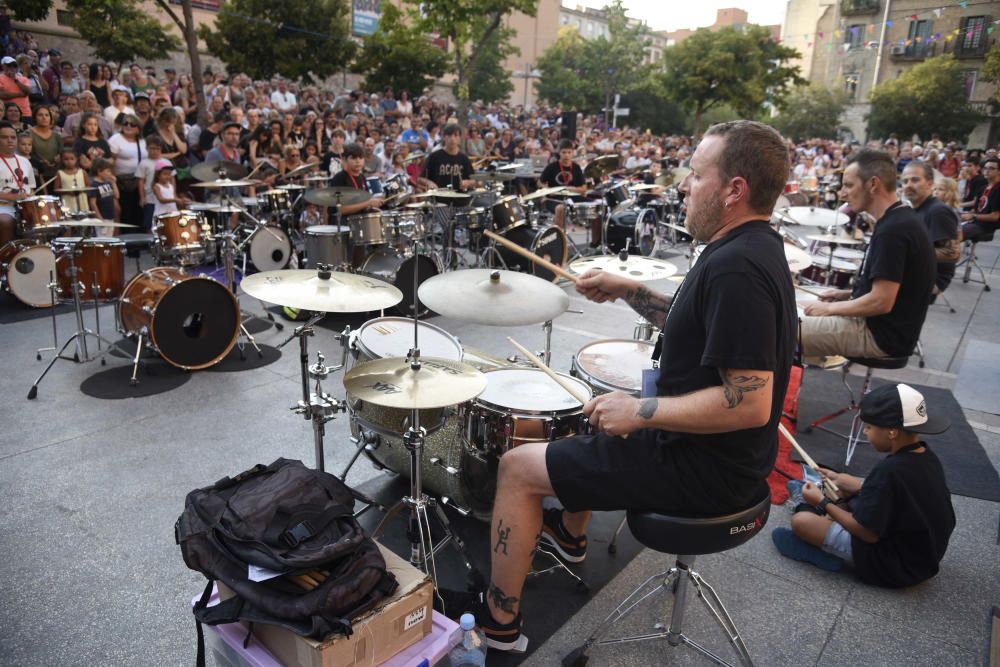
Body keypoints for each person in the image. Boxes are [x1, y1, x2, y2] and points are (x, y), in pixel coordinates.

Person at [437, 120, 797, 652]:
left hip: (704, 470)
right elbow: (689, 320)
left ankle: (498, 624)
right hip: (712, 455)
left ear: (733, 190)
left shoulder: (737, 270)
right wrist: (628, 288)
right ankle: (569, 533)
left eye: (696, 176)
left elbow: (750, 403)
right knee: (593, 413)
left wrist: (642, 412)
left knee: (518, 467)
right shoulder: (751, 247)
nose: (683, 187)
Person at [772, 383, 955, 587]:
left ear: (892, 432)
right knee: (842, 487)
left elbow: (867, 534)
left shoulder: (890, 471)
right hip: (920, 557)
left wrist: (822, 502)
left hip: (893, 566)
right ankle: (814, 508)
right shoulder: (926, 456)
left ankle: (811, 523)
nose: (866, 433)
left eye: (868, 427)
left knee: (802, 522)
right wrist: (858, 486)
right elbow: (901, 497)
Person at [800, 149, 935, 362]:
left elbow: (882, 302)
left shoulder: (894, 230)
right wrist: (845, 295)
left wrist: (828, 308)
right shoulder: (900, 219)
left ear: (873, 184)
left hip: (878, 335)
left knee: (775, 331)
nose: (843, 194)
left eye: (849, 185)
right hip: (883, 328)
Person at [901, 161, 961, 295]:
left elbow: (952, 253)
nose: (909, 185)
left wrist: (906, 252)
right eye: (905, 181)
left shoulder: (938, 211)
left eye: (915, 180)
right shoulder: (916, 209)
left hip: (931, 279)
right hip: (916, 271)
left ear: (930, 183)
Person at [108, 113, 147, 228]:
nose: (128, 126)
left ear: (138, 128)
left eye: (132, 124)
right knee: (126, 211)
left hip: (139, 181)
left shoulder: (142, 141)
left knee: (138, 210)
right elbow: (111, 162)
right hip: (122, 181)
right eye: (125, 123)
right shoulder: (116, 139)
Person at [538, 139, 586, 232]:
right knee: (561, 208)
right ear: (559, 153)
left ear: (573, 153)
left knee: (599, 205)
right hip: (554, 199)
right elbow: (540, 182)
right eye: (564, 152)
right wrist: (546, 189)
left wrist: (571, 189)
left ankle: (595, 242)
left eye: (569, 152)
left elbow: (583, 189)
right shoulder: (552, 166)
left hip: (572, 198)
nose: (566, 155)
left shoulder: (576, 167)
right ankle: (559, 239)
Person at [0, 120, 36, 244]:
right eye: (4, 137)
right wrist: (13, 196)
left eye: (13, 137)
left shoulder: (25, 161)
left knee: (52, 221)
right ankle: (6, 259)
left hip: (23, 206)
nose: (10, 140)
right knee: (6, 221)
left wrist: (30, 198)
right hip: (3, 207)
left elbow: (31, 188)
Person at [418, 123, 475, 191]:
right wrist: (429, 183)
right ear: (444, 137)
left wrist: (467, 183)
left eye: (455, 135)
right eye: (449, 135)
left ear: (460, 139)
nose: (452, 138)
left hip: (460, 198)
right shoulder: (434, 157)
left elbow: (474, 181)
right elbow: (420, 179)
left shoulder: (464, 159)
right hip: (438, 198)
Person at [959, 156, 1000, 243]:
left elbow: (995, 216)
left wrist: (973, 216)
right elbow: (977, 208)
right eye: (985, 168)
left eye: (991, 168)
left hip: (986, 227)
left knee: (952, 233)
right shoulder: (983, 188)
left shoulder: (998, 189)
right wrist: (965, 215)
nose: (987, 170)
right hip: (975, 222)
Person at [29, 105, 62, 189]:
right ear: (35, 117)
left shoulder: (57, 136)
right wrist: (39, 162)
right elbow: (27, 153)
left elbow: (62, 152)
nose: (44, 118)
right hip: (37, 175)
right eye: (40, 115)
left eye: (47, 115)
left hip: (56, 175)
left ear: (51, 118)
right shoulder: (28, 134)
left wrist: (60, 156)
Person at [88, 157, 119, 235]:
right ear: (99, 171)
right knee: (102, 239)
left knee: (109, 238)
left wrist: (114, 183)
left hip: (110, 217)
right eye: (108, 171)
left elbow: (117, 196)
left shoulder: (107, 183)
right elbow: (93, 203)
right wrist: (99, 217)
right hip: (102, 218)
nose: (110, 173)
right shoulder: (94, 185)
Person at [55, 147, 90, 213]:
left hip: (82, 201)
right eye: (66, 159)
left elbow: (88, 186)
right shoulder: (60, 173)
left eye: (72, 159)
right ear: (62, 160)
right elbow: (56, 189)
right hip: (67, 201)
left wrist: (80, 190)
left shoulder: (82, 172)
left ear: (76, 159)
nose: (69, 161)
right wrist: (68, 192)